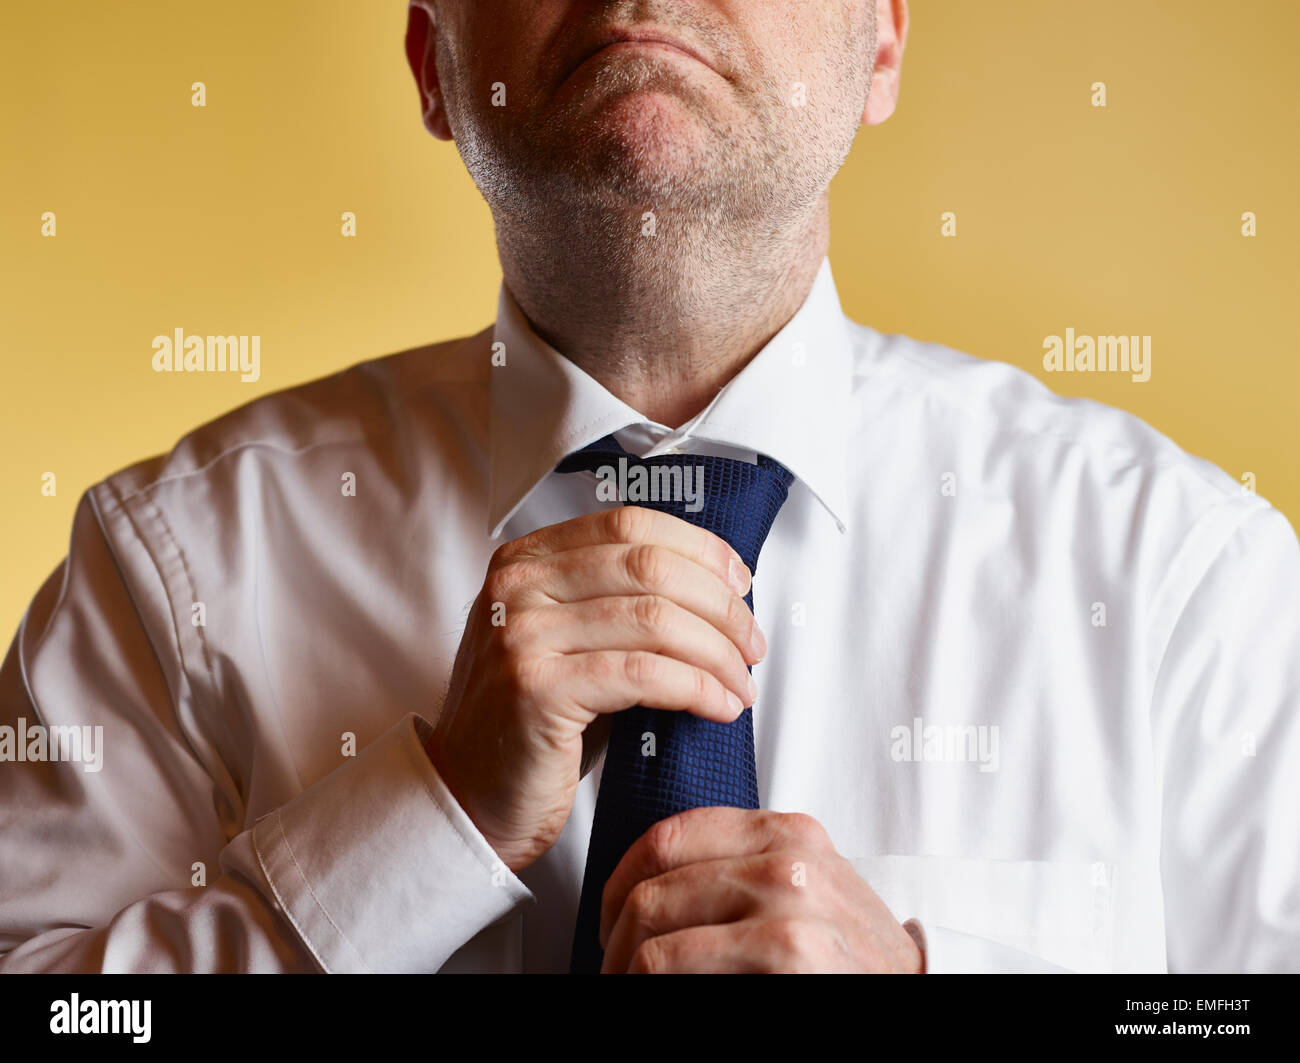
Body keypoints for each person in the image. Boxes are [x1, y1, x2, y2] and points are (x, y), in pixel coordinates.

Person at [1, 0, 1296, 974]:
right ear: (432, 63)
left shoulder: (1189, 585)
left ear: (883, 44)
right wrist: (424, 819)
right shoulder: (168, 574)